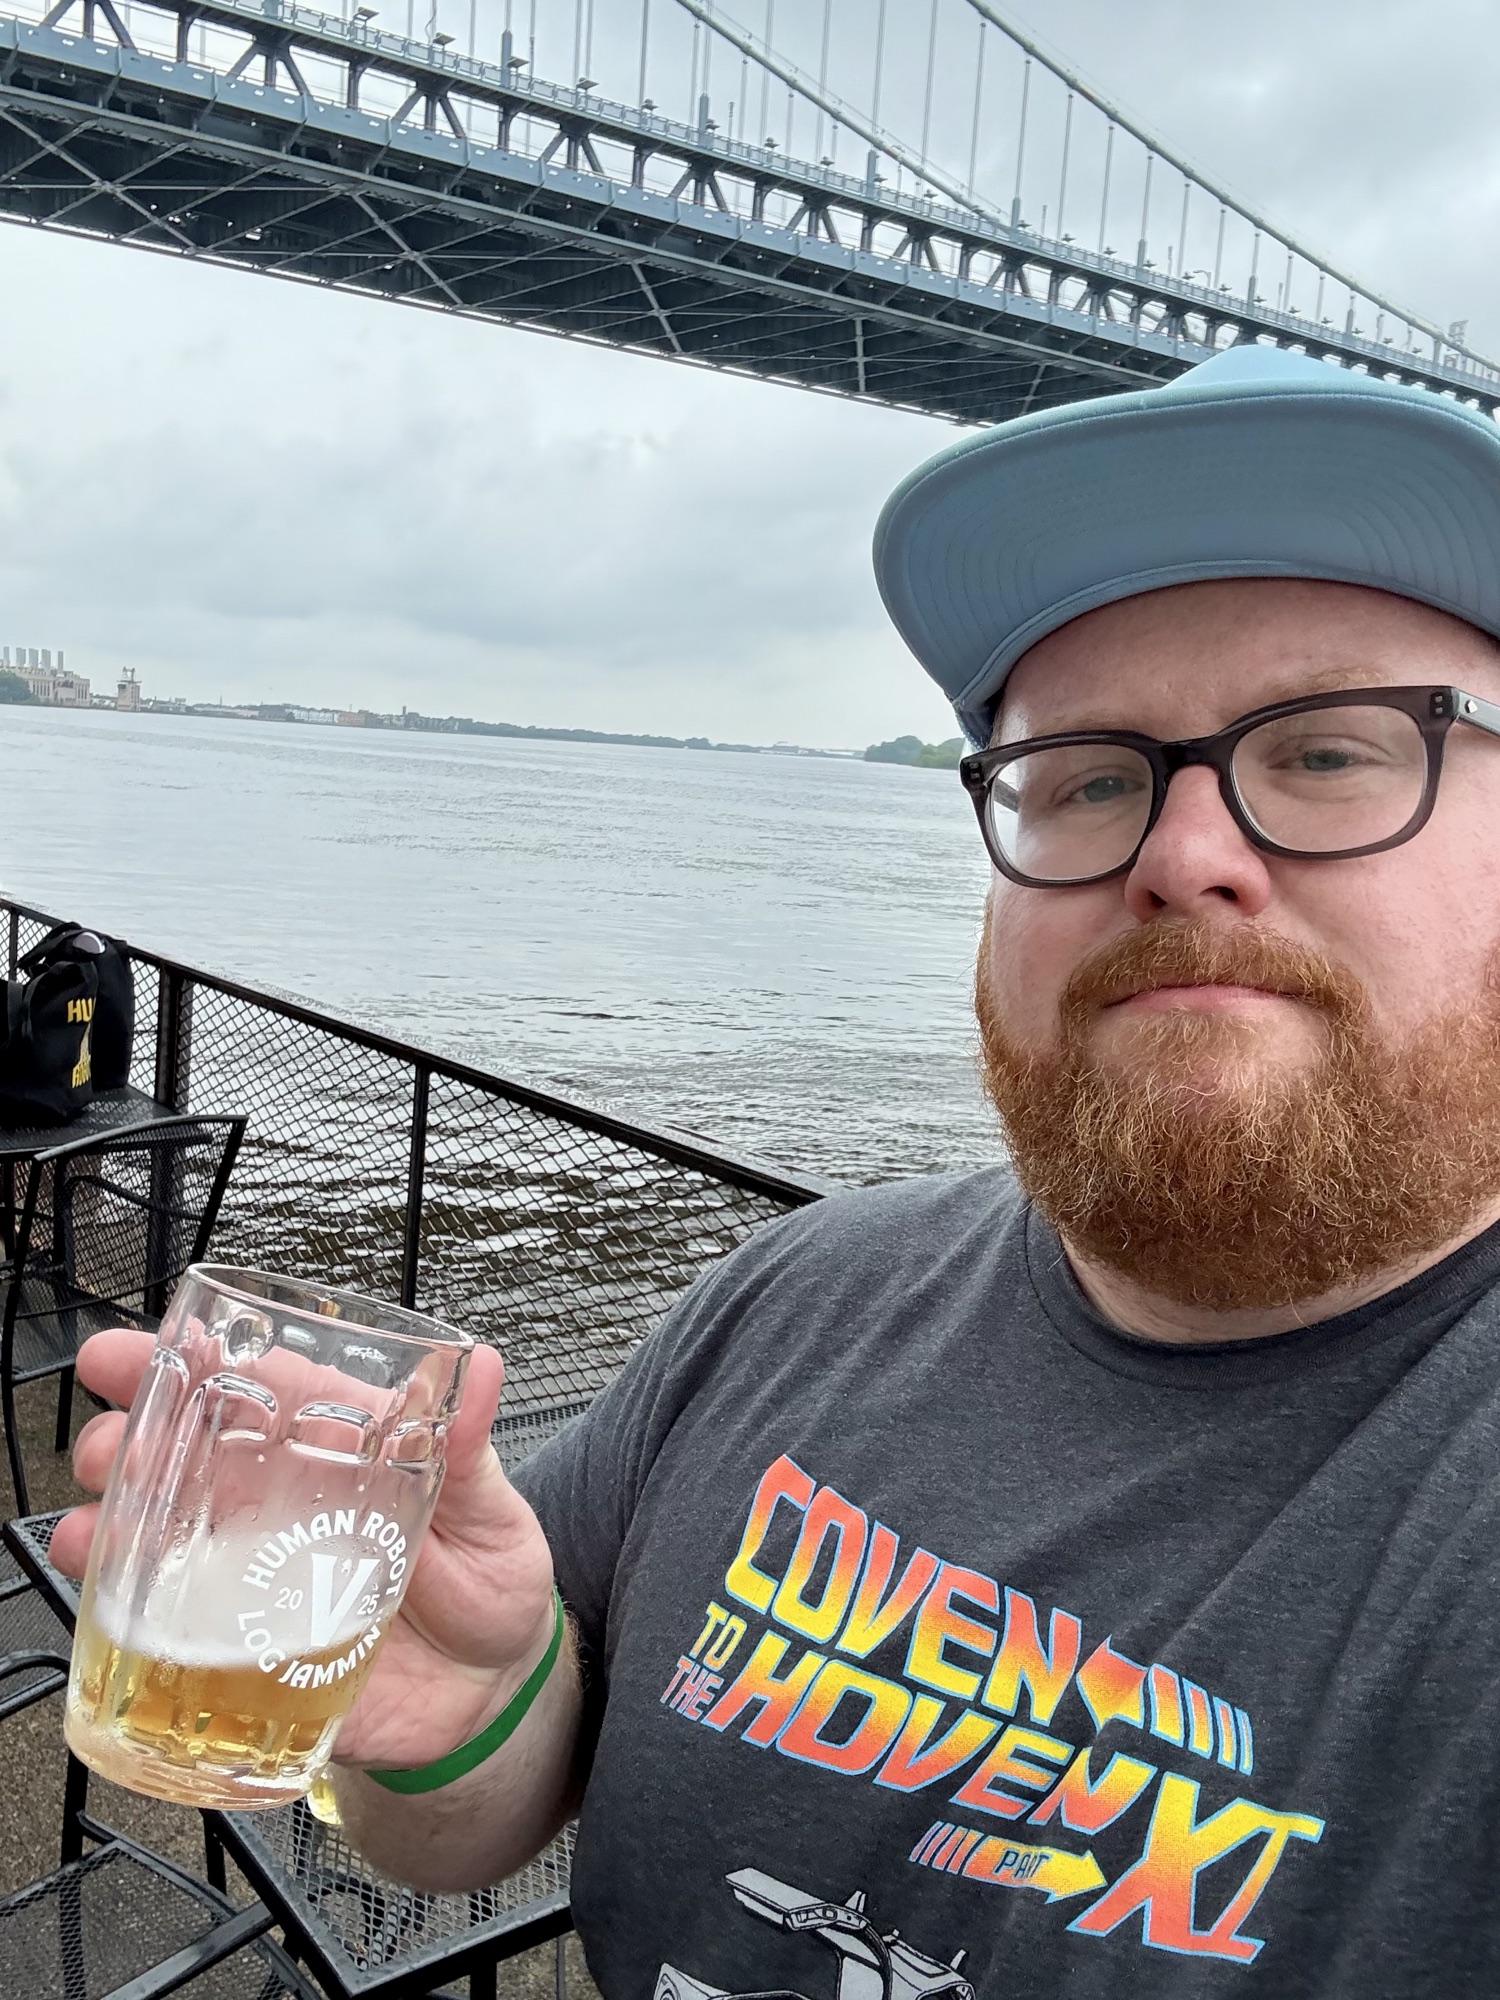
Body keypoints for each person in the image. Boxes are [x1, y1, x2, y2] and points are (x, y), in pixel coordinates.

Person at [54, 346, 1500, 1999]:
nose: (1181, 855)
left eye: (1328, 753)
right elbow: (474, 1815)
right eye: (1090, 777)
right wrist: (472, 1715)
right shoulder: (801, 1297)